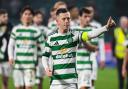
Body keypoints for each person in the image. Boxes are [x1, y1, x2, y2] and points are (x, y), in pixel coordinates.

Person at [42, 8, 115, 89]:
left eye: (68, 19)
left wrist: (106, 27)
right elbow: (45, 56)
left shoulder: (75, 35)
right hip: (55, 82)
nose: (66, 21)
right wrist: (46, 68)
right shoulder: (51, 38)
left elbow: (90, 34)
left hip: (71, 83)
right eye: (64, 19)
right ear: (57, 21)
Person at [8, 6, 44, 89]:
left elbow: (43, 47)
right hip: (18, 64)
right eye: (26, 14)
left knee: (28, 87)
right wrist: (11, 57)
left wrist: (46, 61)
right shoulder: (16, 29)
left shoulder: (36, 30)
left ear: (32, 17)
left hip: (30, 65)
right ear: (21, 16)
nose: (27, 16)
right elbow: (11, 45)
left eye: (30, 14)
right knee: (19, 87)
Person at [75, 8, 99, 89]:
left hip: (87, 66)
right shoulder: (73, 30)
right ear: (79, 17)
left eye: (89, 17)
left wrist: (83, 41)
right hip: (74, 66)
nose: (88, 19)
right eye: (85, 16)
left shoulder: (93, 30)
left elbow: (94, 48)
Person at [85, 4, 106, 89]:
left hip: (93, 56)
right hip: (80, 57)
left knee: (92, 81)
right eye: (87, 11)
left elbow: (101, 43)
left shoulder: (97, 25)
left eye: (91, 11)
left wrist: (103, 59)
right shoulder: (79, 24)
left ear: (93, 13)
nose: (89, 13)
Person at [33, 10, 49, 89]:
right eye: (37, 17)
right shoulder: (30, 28)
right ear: (33, 18)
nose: (39, 19)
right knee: (30, 80)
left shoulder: (44, 29)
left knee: (40, 80)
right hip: (31, 57)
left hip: (41, 57)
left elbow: (49, 40)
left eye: (40, 17)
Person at [112, 16, 128, 89]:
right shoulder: (116, 31)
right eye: (123, 22)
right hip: (119, 57)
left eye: (126, 22)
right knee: (121, 77)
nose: (124, 24)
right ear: (120, 23)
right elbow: (113, 44)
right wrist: (113, 56)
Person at [0, 9, 13, 89]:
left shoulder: (10, 27)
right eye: (4, 16)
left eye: (7, 16)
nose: (6, 18)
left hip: (6, 58)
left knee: (5, 82)